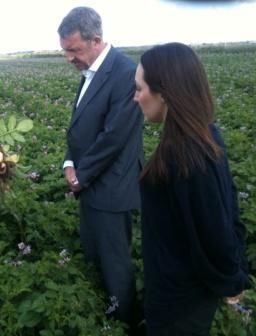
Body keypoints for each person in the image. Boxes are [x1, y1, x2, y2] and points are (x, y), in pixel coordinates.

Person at [134, 42, 251, 335]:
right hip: (179, 288)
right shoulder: (203, 135)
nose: (136, 98)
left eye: (139, 89)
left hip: (180, 297)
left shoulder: (184, 154)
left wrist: (231, 279)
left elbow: (216, 228)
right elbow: (229, 205)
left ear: (163, 93)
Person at [58, 7, 144, 325]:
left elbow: (113, 137)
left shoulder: (124, 73)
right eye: (64, 50)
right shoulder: (91, 71)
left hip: (112, 188)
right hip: (90, 183)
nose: (69, 57)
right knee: (95, 254)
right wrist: (69, 162)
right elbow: (79, 127)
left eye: (73, 50)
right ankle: (104, 313)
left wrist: (81, 175)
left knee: (115, 262)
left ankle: (125, 321)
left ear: (96, 40)